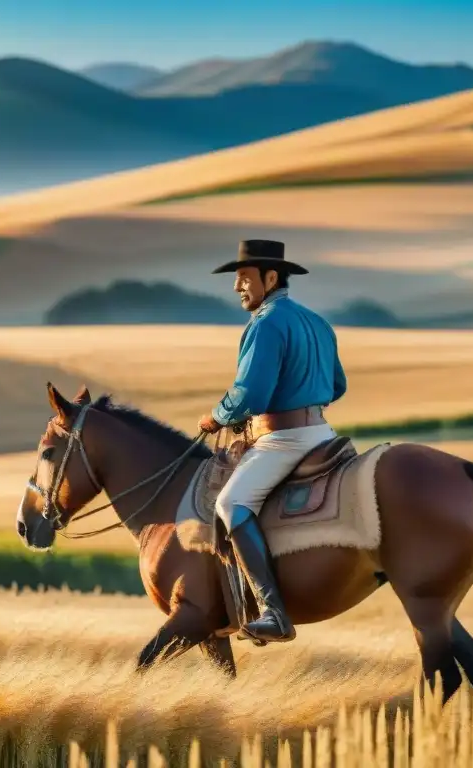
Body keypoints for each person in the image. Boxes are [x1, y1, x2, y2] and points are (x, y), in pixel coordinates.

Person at [198, 239, 347, 645]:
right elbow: (337, 386)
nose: (237, 287)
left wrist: (217, 416)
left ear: (270, 277)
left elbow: (251, 395)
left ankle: (273, 612)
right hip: (322, 433)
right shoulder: (319, 322)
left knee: (230, 504)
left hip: (284, 440)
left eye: (244, 278)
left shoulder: (265, 324)